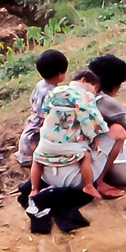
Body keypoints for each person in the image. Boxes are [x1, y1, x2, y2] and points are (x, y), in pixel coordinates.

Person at [31, 70, 109, 199]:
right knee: (85, 156)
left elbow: (45, 110)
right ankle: (88, 185)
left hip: (47, 142)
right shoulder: (85, 96)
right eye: (95, 88)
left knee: (36, 158)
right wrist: (95, 134)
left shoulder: (56, 91)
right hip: (69, 145)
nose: (95, 92)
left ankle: (34, 189)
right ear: (83, 80)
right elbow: (90, 118)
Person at [15, 49, 69, 166]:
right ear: (60, 75)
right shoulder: (52, 93)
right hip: (35, 140)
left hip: (29, 132)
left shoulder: (40, 85)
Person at [88, 54, 126, 160]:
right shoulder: (104, 102)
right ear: (115, 85)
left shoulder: (79, 93)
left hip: (58, 150)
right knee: (118, 130)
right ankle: (101, 175)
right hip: (83, 158)